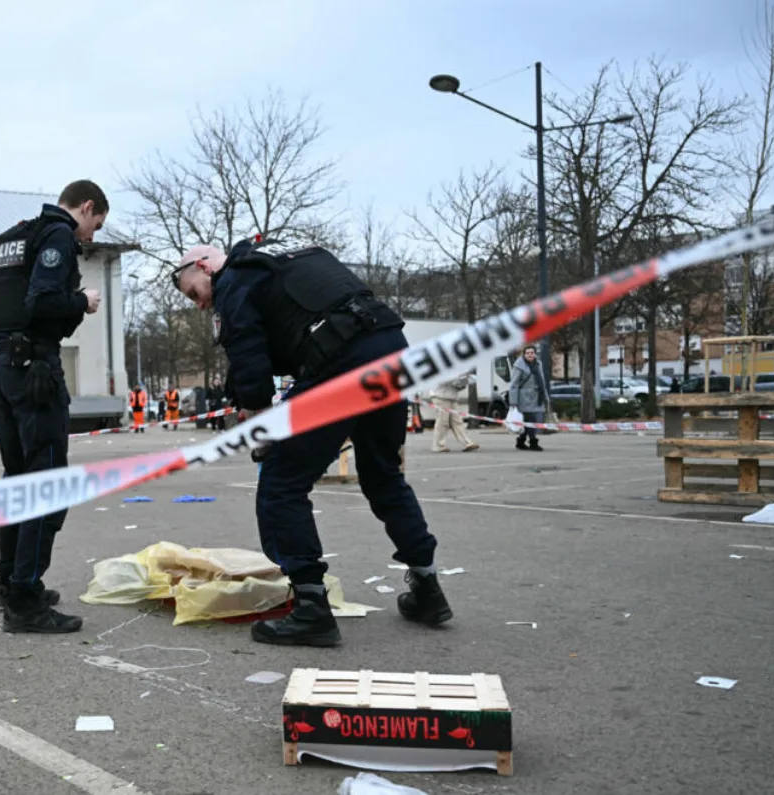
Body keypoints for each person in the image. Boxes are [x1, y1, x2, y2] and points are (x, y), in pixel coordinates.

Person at [170, 238, 451, 647]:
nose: (199, 305)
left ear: (204, 265)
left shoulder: (234, 278)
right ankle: (428, 589)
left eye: (194, 292)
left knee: (281, 482)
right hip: (388, 345)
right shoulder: (284, 256)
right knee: (384, 475)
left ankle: (311, 608)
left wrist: (259, 418)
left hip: (340, 357)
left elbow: (248, 349)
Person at [0, 179, 108, 633]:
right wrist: (83, 301)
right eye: (94, 226)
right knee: (45, 482)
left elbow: (10, 303)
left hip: (1, 365)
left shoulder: (12, 237)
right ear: (87, 207)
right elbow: (41, 302)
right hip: (34, 371)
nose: (90, 237)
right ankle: (25, 599)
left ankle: (11, 582)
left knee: (17, 479)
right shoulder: (56, 233)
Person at [508, 345, 549, 452]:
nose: (530, 355)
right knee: (530, 420)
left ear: (535, 354)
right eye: (528, 353)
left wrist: (545, 397)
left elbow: (542, 382)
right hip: (523, 398)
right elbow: (514, 384)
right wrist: (513, 401)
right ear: (524, 354)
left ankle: (521, 441)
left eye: (532, 352)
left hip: (536, 397)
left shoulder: (538, 364)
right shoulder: (519, 366)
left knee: (528, 421)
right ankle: (533, 442)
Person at [428, 373, 479, 453]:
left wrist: (465, 381)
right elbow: (452, 381)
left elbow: (457, 385)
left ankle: (467, 443)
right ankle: (438, 445)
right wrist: (464, 379)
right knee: (443, 421)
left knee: (457, 421)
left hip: (451, 397)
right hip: (440, 396)